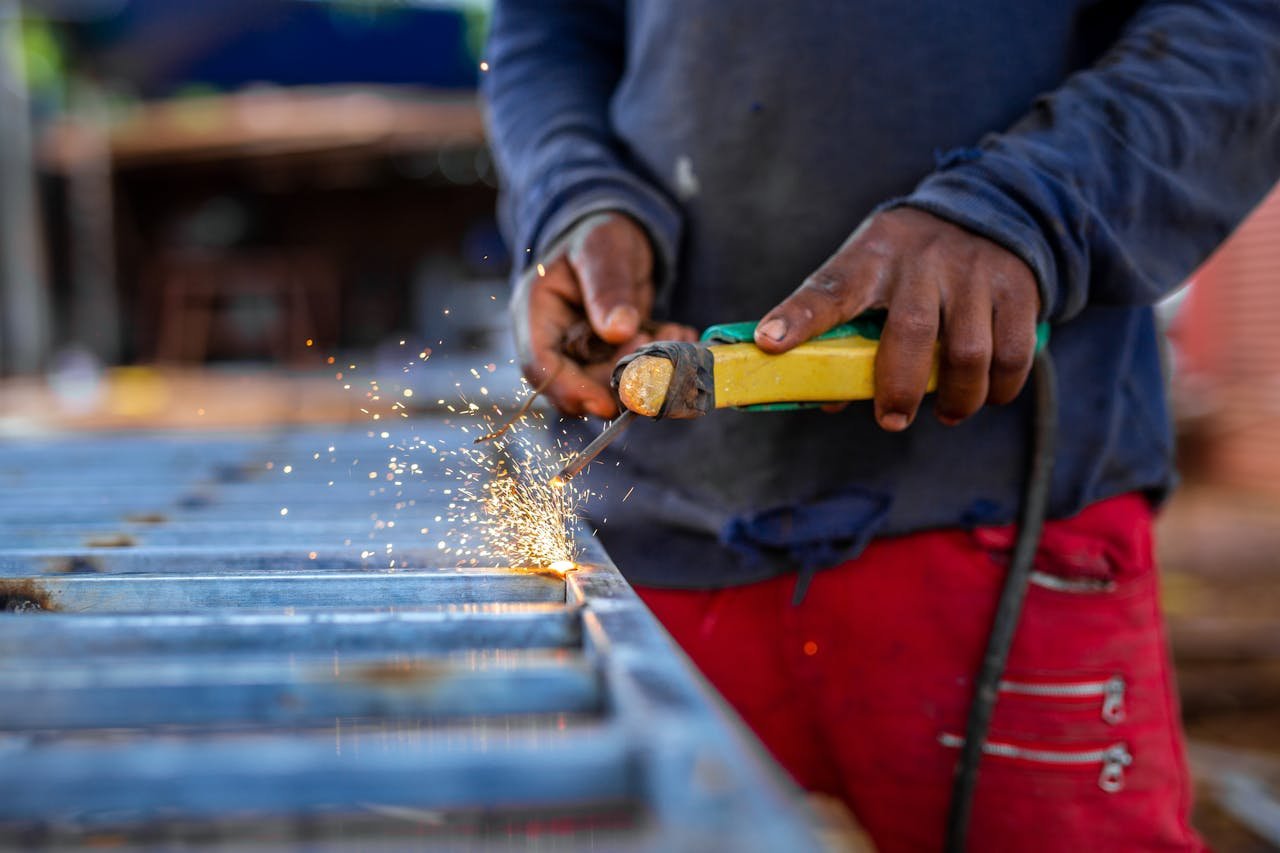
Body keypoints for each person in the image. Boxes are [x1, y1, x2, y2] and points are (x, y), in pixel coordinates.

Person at [483, 3, 1280, 850]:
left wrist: (1025, 207)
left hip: (998, 518)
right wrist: (575, 198)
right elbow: (549, 27)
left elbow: (1242, 24)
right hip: (645, 543)